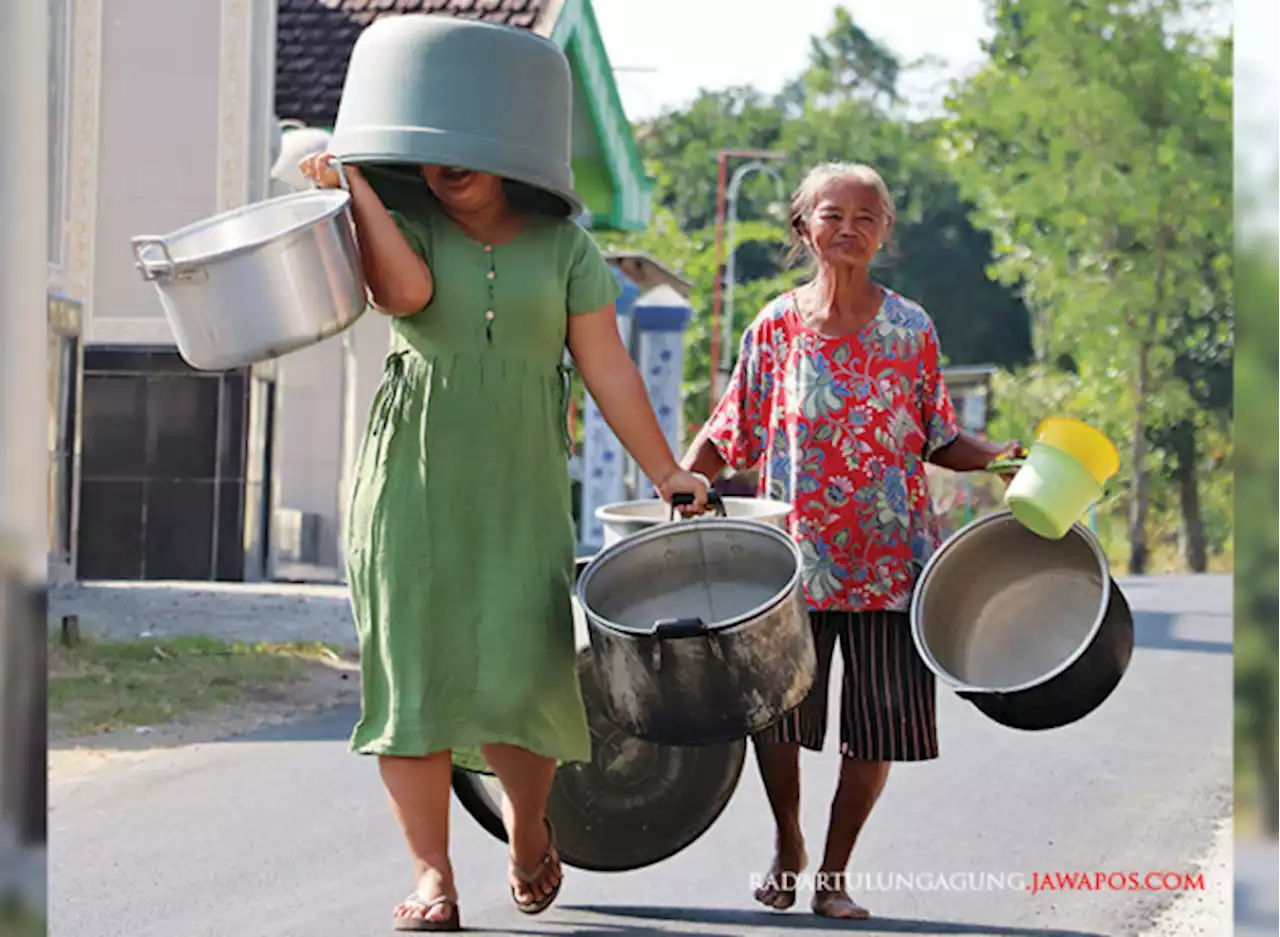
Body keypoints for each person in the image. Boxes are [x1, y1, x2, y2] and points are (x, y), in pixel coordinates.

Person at [299, 154, 710, 932]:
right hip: (409, 484)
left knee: (523, 669)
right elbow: (407, 295)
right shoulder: (402, 222)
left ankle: (528, 829)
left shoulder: (565, 246)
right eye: (433, 146)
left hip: (521, 492)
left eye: (470, 146)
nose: (450, 163)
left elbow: (608, 366)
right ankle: (433, 874)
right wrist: (354, 186)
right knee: (412, 672)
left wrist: (668, 470)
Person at [681, 162, 1019, 921]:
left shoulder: (912, 330)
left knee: (880, 725)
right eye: (833, 214)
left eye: (867, 217)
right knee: (778, 718)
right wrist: (683, 482)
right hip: (791, 563)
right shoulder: (774, 326)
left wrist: (1001, 459)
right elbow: (729, 429)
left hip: (893, 565)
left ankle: (833, 872)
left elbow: (939, 434)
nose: (849, 228)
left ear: (885, 233)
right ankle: (788, 841)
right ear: (803, 228)